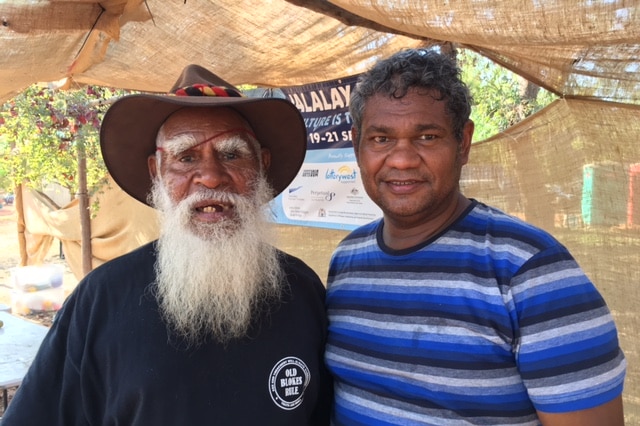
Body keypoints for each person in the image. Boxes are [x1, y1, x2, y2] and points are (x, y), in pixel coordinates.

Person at [3, 65, 332, 425]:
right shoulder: (101, 298)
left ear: (262, 166)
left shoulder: (302, 291)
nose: (210, 176)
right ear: (155, 172)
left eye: (232, 154)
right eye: (186, 157)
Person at [324, 49, 626, 425]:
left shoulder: (532, 271)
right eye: (381, 139)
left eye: (427, 136)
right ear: (357, 145)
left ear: (463, 143)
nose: (401, 159)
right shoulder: (347, 260)